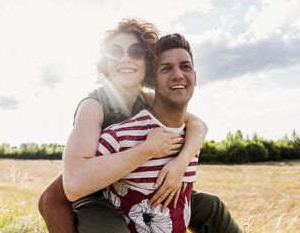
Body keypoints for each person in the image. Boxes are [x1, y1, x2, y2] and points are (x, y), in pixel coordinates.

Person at [38, 18, 242, 233]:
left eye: (136, 52)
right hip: (97, 196)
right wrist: (147, 150)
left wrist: (179, 164)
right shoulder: (94, 105)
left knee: (212, 206)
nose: (125, 59)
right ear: (105, 63)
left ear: (149, 63)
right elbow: (71, 185)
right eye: (115, 52)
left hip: (138, 189)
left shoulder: (147, 100)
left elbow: (198, 124)